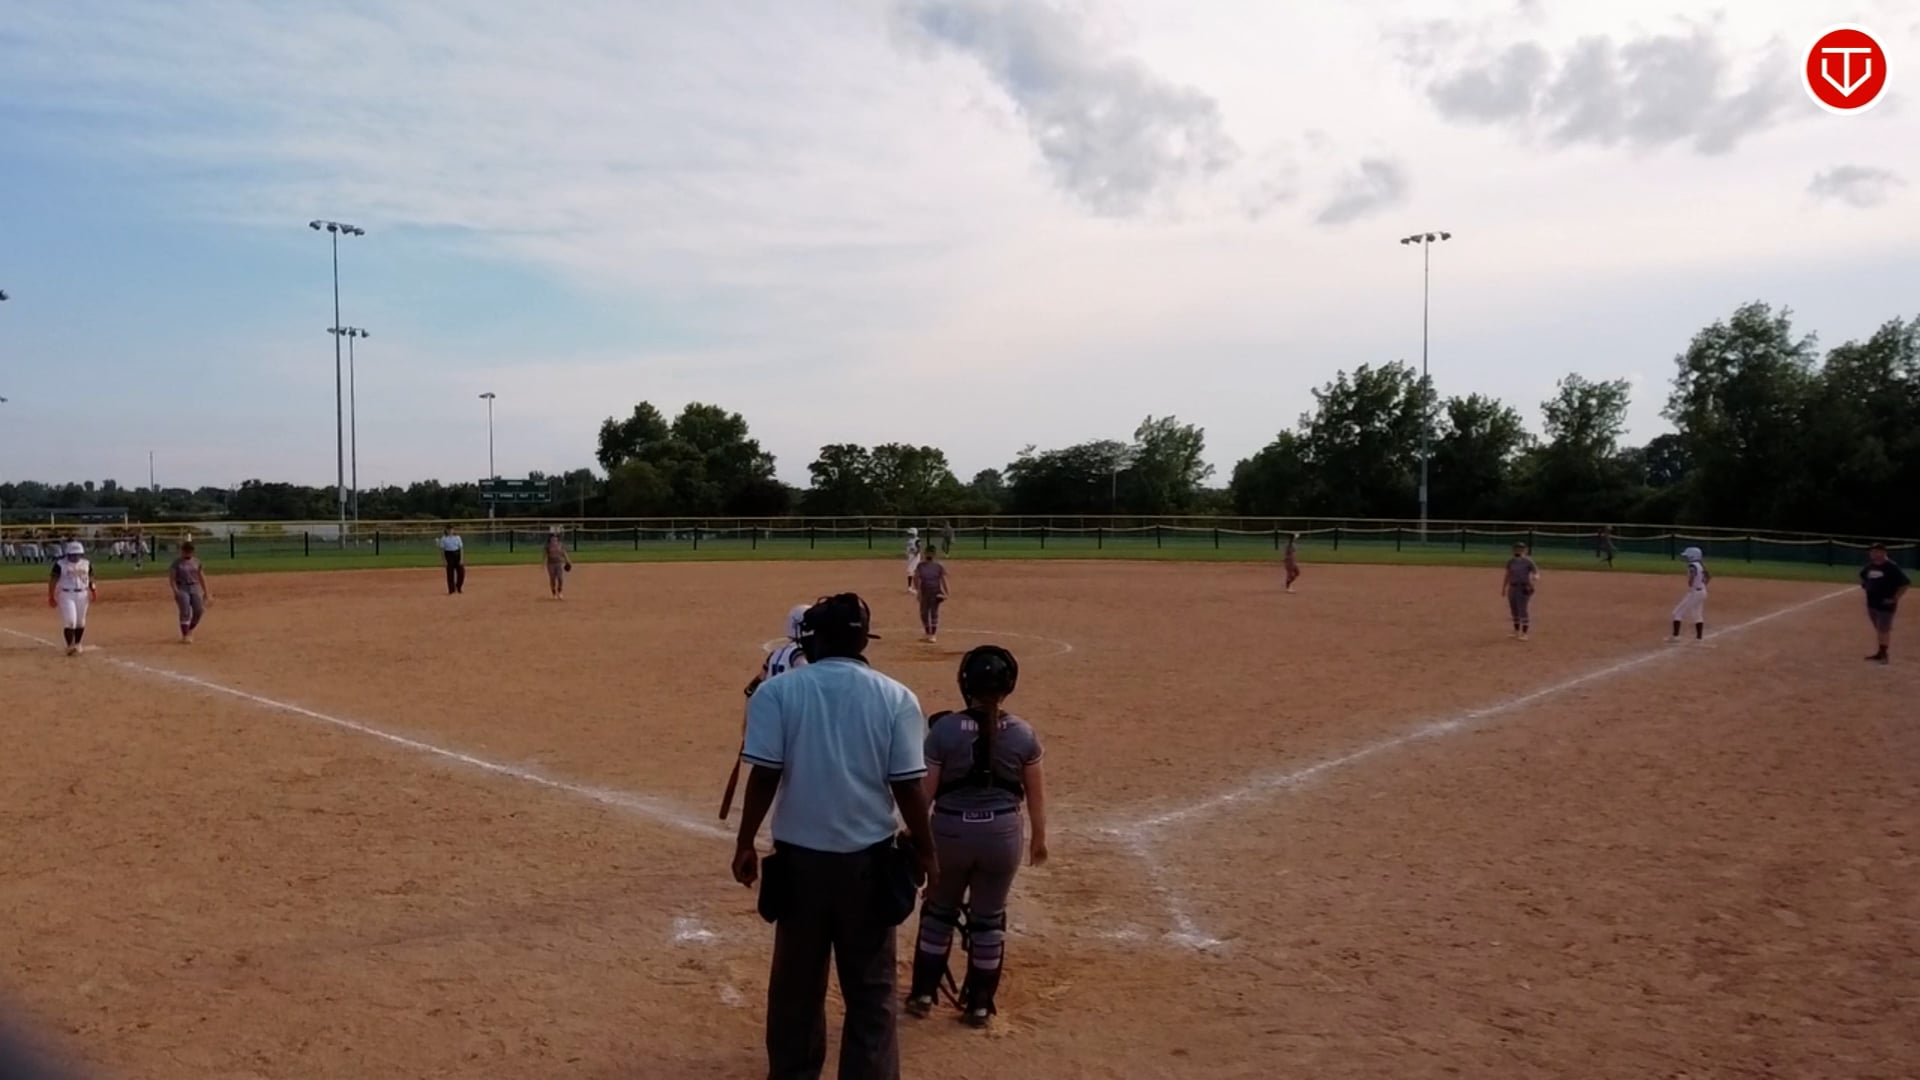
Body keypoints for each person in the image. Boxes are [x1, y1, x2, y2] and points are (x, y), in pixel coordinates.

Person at [731, 593, 937, 1080]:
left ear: (813, 640)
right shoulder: (897, 696)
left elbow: (764, 775)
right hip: (869, 864)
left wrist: (745, 843)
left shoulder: (778, 693)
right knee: (871, 991)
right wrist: (928, 851)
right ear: (864, 640)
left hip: (800, 864)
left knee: (795, 989)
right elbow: (908, 786)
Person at [905, 646, 1048, 1028]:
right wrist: (1039, 839)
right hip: (1002, 835)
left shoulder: (944, 730)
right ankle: (980, 1004)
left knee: (939, 911)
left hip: (950, 834)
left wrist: (914, 836)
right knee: (989, 919)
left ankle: (923, 993)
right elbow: (1035, 795)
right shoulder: (1023, 734)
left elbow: (925, 794)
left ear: (965, 682)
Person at [1860, 543, 1910, 665]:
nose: (1873, 554)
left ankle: (1884, 655)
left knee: (1883, 629)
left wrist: (1895, 598)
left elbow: (1905, 583)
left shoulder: (1891, 567)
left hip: (1885, 604)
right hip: (1872, 604)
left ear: (1883, 553)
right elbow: (1863, 576)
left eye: (1876, 551)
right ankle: (1880, 652)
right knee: (1879, 629)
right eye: (1871, 552)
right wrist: (1866, 585)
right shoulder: (1870, 566)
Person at [47, 541, 97, 657]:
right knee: (70, 620)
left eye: (77, 554)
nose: (75, 557)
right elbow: (53, 580)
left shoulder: (86, 563)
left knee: (80, 621)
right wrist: (51, 595)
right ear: (68, 554)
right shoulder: (60, 564)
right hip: (66, 594)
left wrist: (93, 590)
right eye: (73, 554)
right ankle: (70, 645)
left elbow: (90, 578)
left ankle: (78, 643)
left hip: (83, 594)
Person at [169, 540, 212, 643]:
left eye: (190, 550)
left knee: (199, 610)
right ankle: (185, 635)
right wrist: (175, 590)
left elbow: (201, 577)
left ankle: (190, 630)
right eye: (186, 550)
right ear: (182, 551)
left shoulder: (196, 562)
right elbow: (172, 579)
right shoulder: (176, 563)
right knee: (185, 611)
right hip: (182, 588)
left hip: (195, 587)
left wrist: (206, 592)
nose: (188, 552)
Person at [1668, 546, 1710, 643]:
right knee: (1697, 614)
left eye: (1687, 556)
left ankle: (1675, 637)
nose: (1686, 558)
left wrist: (1691, 581)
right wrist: (1701, 584)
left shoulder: (1692, 565)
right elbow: (1708, 576)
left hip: (1695, 592)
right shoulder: (1700, 565)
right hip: (1702, 591)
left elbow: (1692, 576)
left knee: (1677, 612)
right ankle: (1699, 638)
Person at [1501, 541, 1539, 641]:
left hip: (1523, 588)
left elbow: (1536, 572)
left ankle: (1525, 633)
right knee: (1514, 610)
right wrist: (1504, 588)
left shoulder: (1528, 561)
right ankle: (1516, 631)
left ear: (1525, 550)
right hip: (1512, 587)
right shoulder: (1511, 561)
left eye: (1521, 549)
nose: (1518, 550)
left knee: (1523, 609)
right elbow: (1507, 575)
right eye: (1517, 548)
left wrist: (1535, 577)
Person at [914, 547, 950, 643]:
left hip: (933, 592)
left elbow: (943, 580)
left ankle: (932, 634)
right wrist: (918, 591)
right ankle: (929, 633)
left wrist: (946, 592)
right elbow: (916, 579)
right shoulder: (923, 566)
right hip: (927, 592)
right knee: (925, 613)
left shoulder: (934, 566)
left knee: (930, 613)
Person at [437, 524, 466, 595]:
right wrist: (444, 560)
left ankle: (458, 586)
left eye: (451, 529)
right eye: (448, 529)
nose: (450, 531)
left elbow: (461, 548)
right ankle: (451, 589)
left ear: (453, 530)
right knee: (450, 574)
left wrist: (461, 559)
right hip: (449, 555)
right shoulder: (444, 538)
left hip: (457, 554)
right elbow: (442, 550)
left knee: (461, 572)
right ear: (446, 530)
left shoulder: (457, 537)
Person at [543, 528, 572, 599]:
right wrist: (543, 563)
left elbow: (564, 553)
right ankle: (553, 592)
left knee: (560, 578)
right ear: (550, 539)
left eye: (555, 538)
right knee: (552, 578)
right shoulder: (548, 546)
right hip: (550, 564)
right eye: (553, 538)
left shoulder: (560, 545)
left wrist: (567, 560)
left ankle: (560, 591)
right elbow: (545, 554)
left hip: (559, 563)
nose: (554, 540)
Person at [905, 528, 923, 594]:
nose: (909, 534)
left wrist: (916, 553)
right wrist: (907, 554)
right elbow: (908, 548)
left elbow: (919, 548)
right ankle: (911, 587)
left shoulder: (917, 540)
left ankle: (914, 587)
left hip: (915, 557)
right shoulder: (909, 540)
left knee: (912, 571)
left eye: (911, 533)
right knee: (910, 571)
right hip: (911, 556)